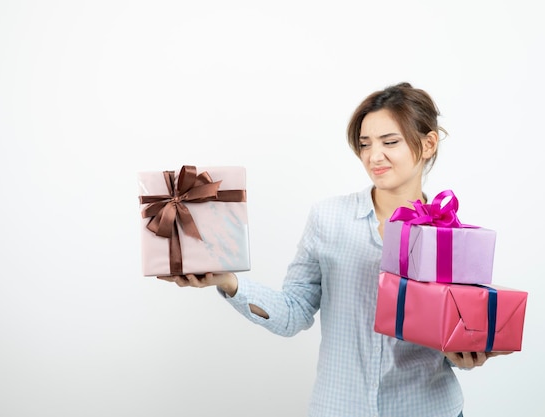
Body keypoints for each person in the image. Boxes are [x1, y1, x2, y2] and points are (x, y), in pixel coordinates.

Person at [159, 82, 509, 417]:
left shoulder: (449, 234)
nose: (375, 156)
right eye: (365, 144)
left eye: (390, 141)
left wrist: (463, 353)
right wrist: (228, 281)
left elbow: (454, 332)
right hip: (341, 407)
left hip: (428, 409)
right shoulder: (328, 218)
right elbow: (293, 313)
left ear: (428, 143)